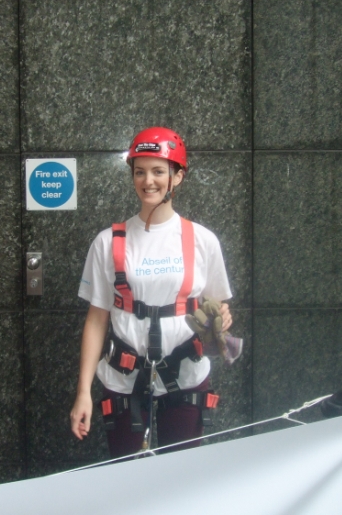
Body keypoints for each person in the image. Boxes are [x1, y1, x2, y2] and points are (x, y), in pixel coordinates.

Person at [69, 127, 235, 458]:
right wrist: (83, 391)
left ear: (178, 177)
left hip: (186, 374)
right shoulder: (108, 242)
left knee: (183, 476)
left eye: (159, 171)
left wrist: (221, 317)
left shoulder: (202, 240)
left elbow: (216, 305)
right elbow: (97, 319)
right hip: (124, 377)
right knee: (128, 476)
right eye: (140, 172)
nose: (148, 181)